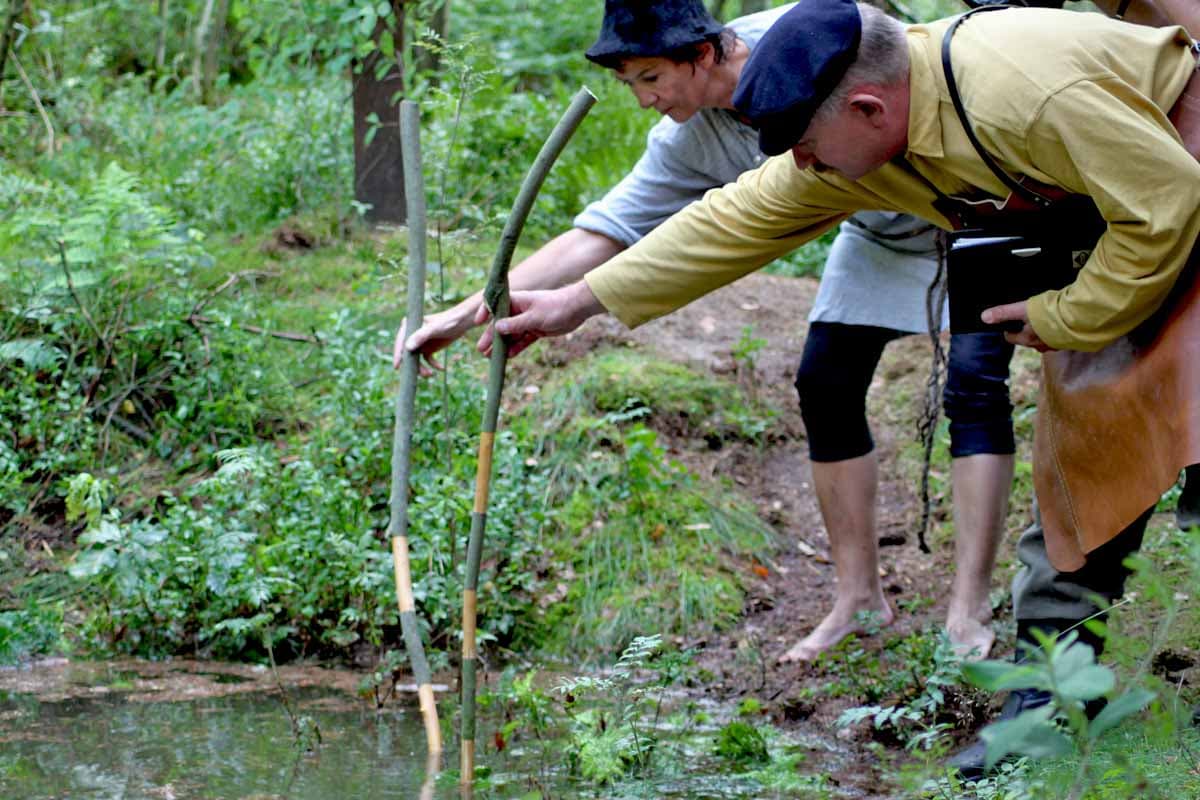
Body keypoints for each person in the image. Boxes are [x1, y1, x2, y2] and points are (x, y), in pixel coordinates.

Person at [474, 0, 1200, 777]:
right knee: (1081, 460)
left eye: (810, 149)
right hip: (1126, 221)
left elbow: (1167, 204)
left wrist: (1069, 312)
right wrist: (574, 305)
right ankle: (1049, 710)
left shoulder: (1020, 88)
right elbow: (733, 219)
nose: (806, 167)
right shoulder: (863, 136)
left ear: (866, 107)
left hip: (1175, 180)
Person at [398, 0, 1017, 661]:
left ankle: (968, 607)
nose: (643, 101)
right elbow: (606, 230)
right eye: (628, 84)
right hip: (878, 228)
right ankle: (857, 598)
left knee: (974, 387)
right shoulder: (686, 137)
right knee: (824, 384)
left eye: (649, 78)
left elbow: (892, 54)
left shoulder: (805, 44)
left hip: (976, 202)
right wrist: (470, 312)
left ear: (702, 53)